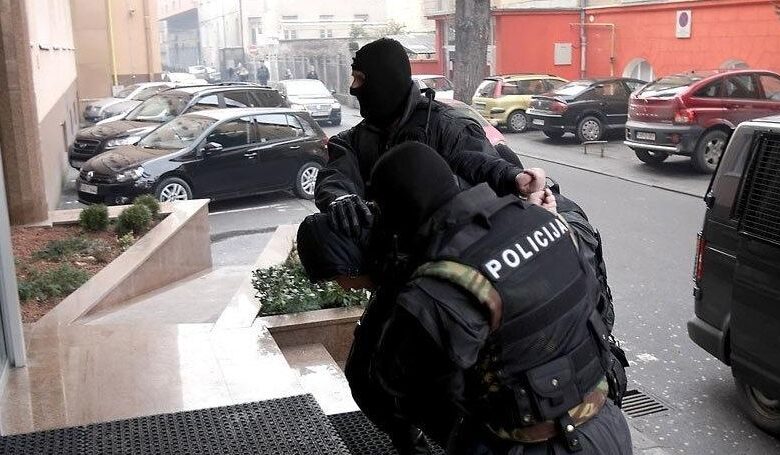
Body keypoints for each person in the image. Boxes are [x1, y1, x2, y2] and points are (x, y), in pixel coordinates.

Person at [357, 142, 633, 454]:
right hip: (607, 426)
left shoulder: (447, 280)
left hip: (536, 445)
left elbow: (397, 378)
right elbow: (589, 303)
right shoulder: (548, 221)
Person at [314, 38, 547, 239]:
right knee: (315, 230)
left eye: (360, 79)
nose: (353, 88)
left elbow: (477, 162)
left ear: (386, 80)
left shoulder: (447, 126)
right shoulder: (353, 140)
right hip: (387, 255)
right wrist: (340, 198)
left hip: (445, 250)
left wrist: (513, 177)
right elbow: (336, 175)